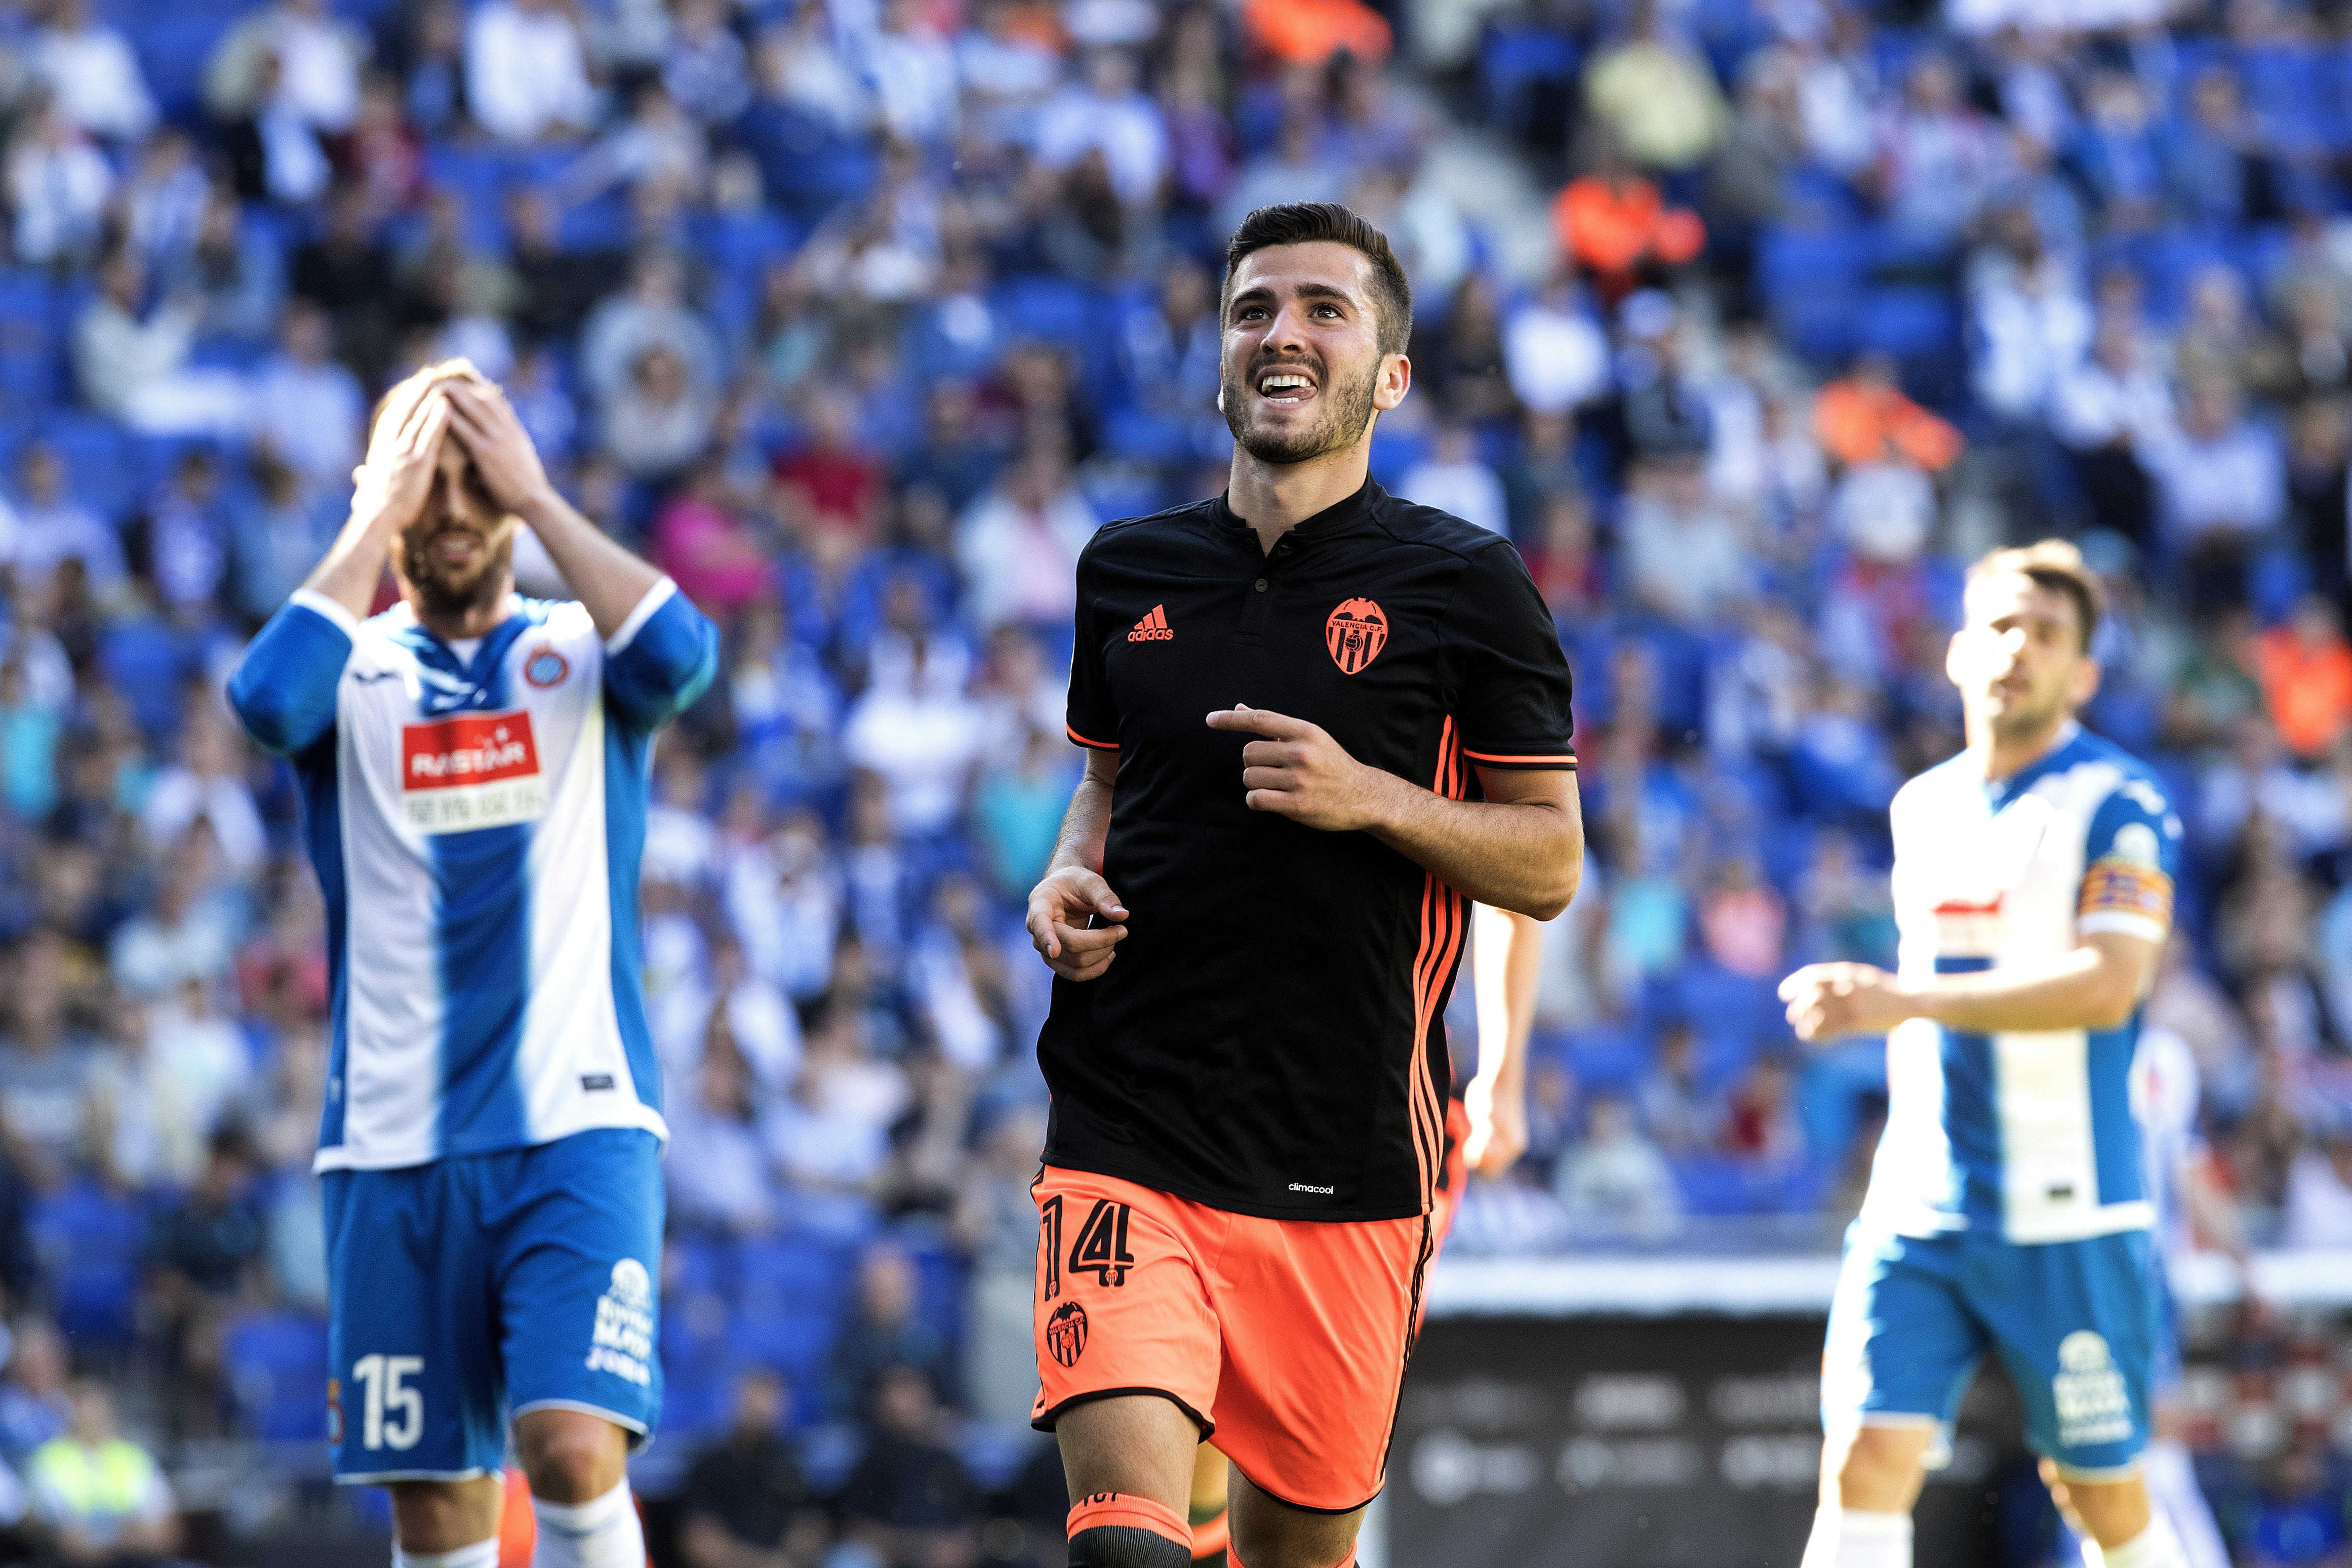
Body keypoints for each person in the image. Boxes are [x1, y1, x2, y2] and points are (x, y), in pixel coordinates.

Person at [1022, 202, 1581, 1568]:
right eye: (1254, 307)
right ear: (1221, 358)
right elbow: (1101, 784)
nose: (1282, 330)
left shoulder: (1464, 583)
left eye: (1324, 309)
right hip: (1127, 1121)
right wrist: (1059, 877)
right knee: (1125, 1547)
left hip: (1347, 1157)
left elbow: (1550, 859)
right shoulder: (1124, 568)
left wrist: (1368, 797)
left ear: (1387, 374)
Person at [224, 359, 719, 1568]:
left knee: (567, 1445)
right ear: (379, 494)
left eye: (472, 478)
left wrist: (541, 500)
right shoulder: (346, 667)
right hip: (393, 1140)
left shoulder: (577, 648)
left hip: (576, 1119)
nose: (449, 507)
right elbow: (262, 701)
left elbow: (683, 657)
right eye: (423, 479)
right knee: (436, 1509)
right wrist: (374, 512)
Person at [1780, 539, 2190, 1568]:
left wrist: (1899, 1001)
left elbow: (2109, 987)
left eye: (2047, 635)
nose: (2019, 648)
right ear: (1959, 650)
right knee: (1864, 1459)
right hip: (1920, 1202)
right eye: (2001, 625)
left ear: (2083, 674)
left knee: (2099, 1493)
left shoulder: (2119, 803)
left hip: (2067, 1205)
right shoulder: (1921, 805)